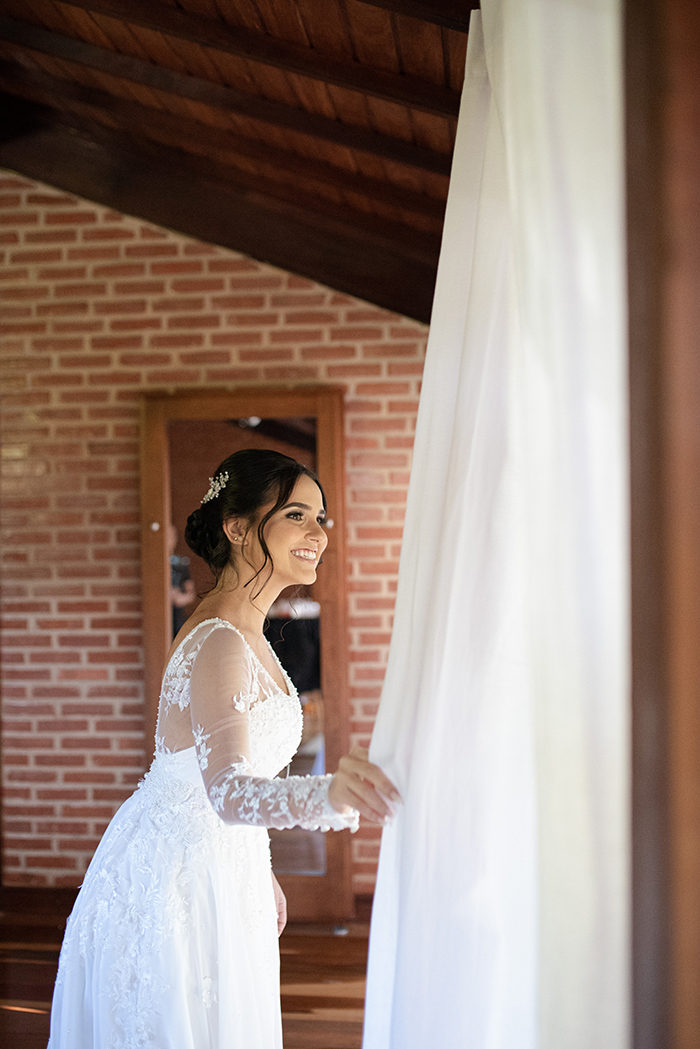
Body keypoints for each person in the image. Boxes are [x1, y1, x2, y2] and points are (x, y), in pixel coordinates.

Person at [47, 448, 399, 1049]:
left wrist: (260, 869)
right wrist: (331, 794)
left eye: (320, 518)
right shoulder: (220, 641)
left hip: (221, 864)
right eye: (296, 516)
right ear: (237, 528)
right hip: (179, 881)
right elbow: (229, 792)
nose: (318, 534)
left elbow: (235, 778)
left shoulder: (246, 633)